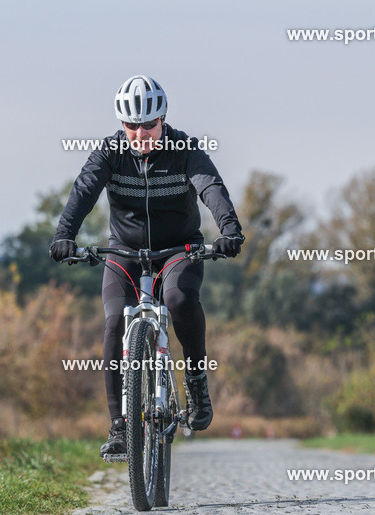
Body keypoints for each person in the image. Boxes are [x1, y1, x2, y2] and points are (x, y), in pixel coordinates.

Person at [50, 75, 244, 459]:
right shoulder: (109, 153)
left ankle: (196, 379)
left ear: (163, 118)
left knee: (178, 297)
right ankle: (120, 428)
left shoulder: (184, 148)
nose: (140, 133)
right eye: (131, 125)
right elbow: (84, 191)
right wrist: (63, 235)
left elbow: (211, 188)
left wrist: (229, 230)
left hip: (178, 249)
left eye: (149, 125)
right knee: (114, 322)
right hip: (124, 250)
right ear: (121, 124)